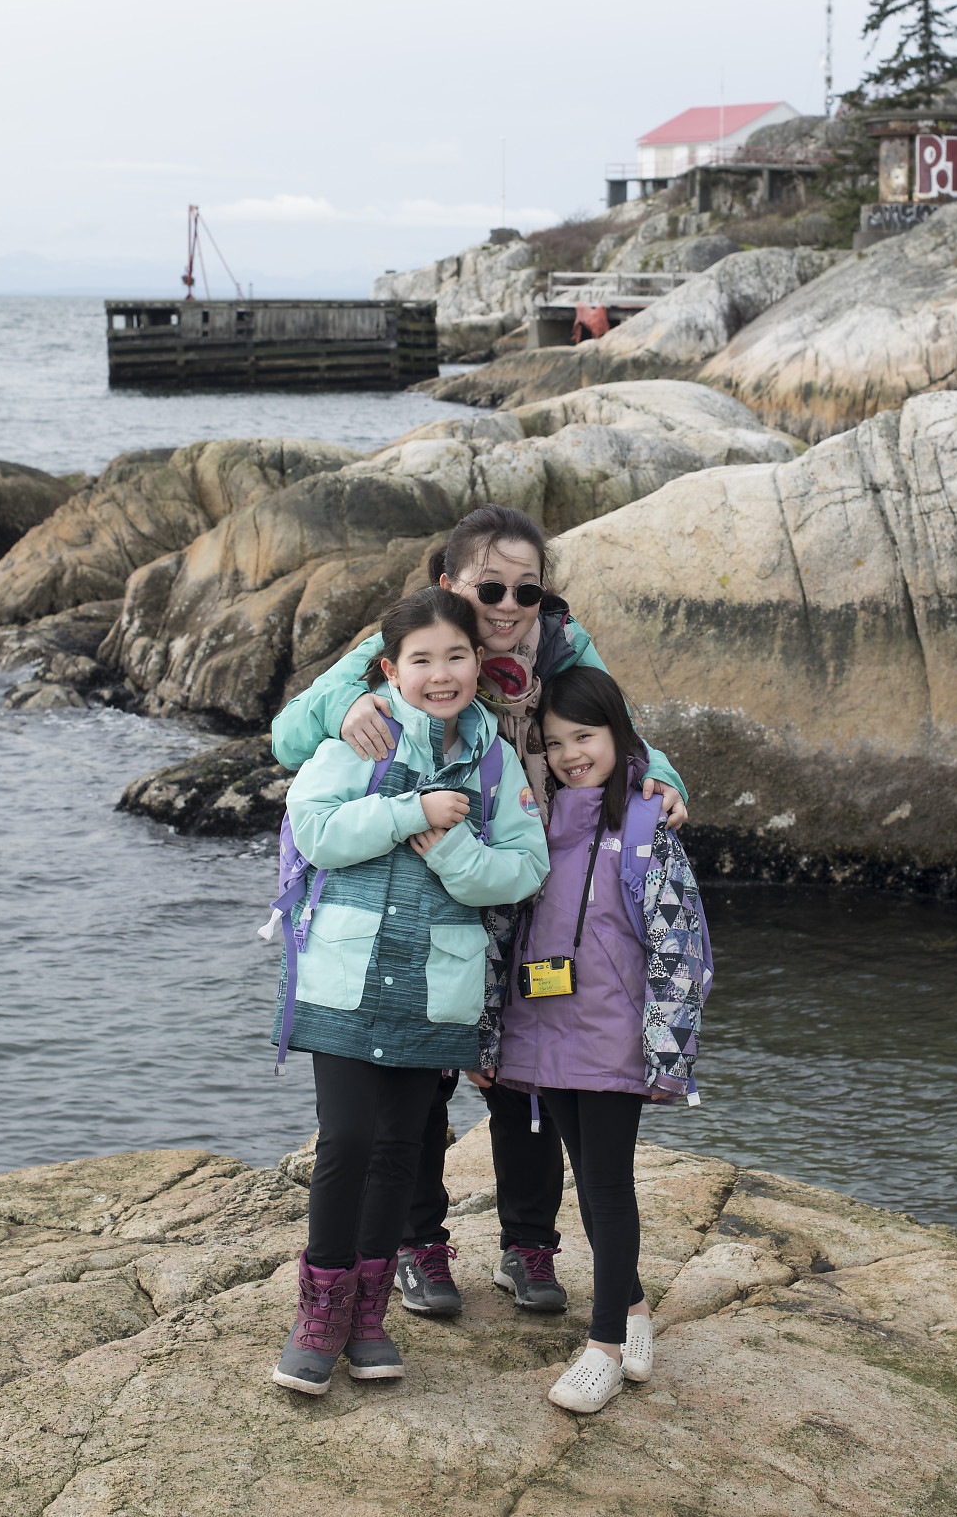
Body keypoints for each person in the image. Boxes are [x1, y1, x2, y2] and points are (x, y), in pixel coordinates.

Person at [271, 503, 690, 1319]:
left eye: (526, 590)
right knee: (419, 1073)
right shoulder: (411, 640)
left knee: (525, 1071)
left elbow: (616, 726)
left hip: (532, 877)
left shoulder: (558, 644)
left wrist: (662, 776)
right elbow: (290, 735)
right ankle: (417, 1245)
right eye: (488, 587)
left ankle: (528, 1244)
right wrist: (340, 708)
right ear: (448, 583)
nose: (507, 606)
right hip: (422, 879)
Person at [270, 586, 548, 1397]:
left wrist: (452, 848)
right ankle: (318, 1312)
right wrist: (408, 811)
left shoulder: (493, 759)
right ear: (391, 669)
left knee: (398, 1147)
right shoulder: (362, 734)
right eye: (421, 659)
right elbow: (313, 827)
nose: (440, 673)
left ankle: (367, 1313)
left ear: (478, 663)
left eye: (454, 656)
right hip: (345, 982)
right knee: (347, 1140)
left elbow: (525, 867)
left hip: (435, 989)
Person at [488, 664, 709, 1415]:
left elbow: (680, 950)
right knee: (586, 1180)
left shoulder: (648, 826)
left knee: (608, 1186)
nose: (569, 754)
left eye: (584, 736)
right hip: (545, 1030)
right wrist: (492, 1034)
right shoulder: (539, 821)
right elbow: (509, 928)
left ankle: (604, 1346)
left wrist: (668, 1053)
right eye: (553, 743)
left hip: (615, 1035)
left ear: (619, 733)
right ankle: (634, 1307)